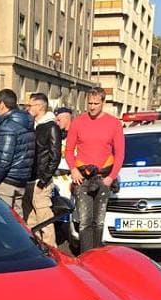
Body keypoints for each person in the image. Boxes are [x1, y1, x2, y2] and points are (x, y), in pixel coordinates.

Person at [65, 89, 125, 252]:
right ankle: (86, 257)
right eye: (90, 103)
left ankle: (97, 256)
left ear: (103, 102)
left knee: (98, 222)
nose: (92, 107)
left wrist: (111, 177)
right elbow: (69, 150)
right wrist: (73, 170)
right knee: (85, 222)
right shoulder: (78, 122)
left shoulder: (114, 123)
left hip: (103, 177)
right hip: (82, 178)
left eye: (96, 103)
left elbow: (120, 153)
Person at [0, 88, 35, 215]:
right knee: (17, 220)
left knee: (0, 219)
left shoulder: (8, 126)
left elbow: (3, 159)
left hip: (6, 182)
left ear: (2, 104)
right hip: (20, 180)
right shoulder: (27, 124)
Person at [26, 93, 61, 247]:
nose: (28, 109)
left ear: (40, 107)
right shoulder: (33, 125)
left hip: (41, 181)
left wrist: (44, 180)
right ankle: (35, 249)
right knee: (30, 220)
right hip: (29, 179)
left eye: (30, 105)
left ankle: (51, 250)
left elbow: (55, 157)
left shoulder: (51, 127)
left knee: (45, 219)